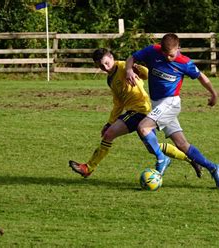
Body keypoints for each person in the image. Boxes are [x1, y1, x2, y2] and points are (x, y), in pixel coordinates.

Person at [69, 48, 203, 178]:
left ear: (112, 58)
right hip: (137, 111)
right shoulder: (110, 79)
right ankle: (192, 159)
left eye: (107, 63)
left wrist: (136, 69)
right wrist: (109, 122)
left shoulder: (124, 66)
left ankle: (88, 168)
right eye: (101, 66)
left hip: (140, 109)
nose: (105, 67)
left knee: (109, 135)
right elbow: (118, 103)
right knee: (153, 147)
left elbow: (146, 74)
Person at [125, 33, 219, 189]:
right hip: (158, 105)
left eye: (171, 54)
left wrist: (214, 94)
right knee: (182, 144)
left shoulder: (184, 62)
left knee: (143, 128)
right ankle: (213, 167)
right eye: (165, 54)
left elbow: (202, 77)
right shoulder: (152, 51)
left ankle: (162, 159)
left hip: (171, 103)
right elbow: (132, 57)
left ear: (179, 48)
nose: (168, 57)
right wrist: (128, 69)